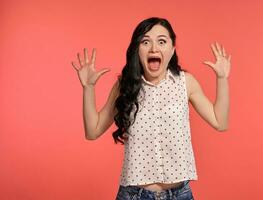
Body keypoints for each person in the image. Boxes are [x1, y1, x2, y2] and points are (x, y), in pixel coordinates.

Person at [72, 17, 231, 200]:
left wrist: (222, 79)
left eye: (162, 41)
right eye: (146, 42)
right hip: (134, 195)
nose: (154, 48)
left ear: (172, 50)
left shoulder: (185, 83)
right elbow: (92, 131)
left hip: (179, 195)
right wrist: (88, 88)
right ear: (137, 50)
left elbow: (220, 122)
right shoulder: (125, 86)